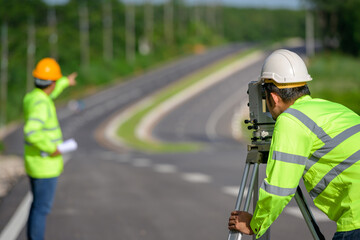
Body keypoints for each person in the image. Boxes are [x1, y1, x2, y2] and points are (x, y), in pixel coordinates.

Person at [228, 49, 360, 240]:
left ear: (273, 97)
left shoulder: (290, 121)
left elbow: (280, 189)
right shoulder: (331, 108)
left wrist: (255, 224)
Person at [23, 58, 77, 240]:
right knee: (41, 209)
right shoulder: (42, 104)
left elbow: (51, 94)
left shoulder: (33, 98)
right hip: (44, 164)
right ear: (51, 83)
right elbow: (31, 131)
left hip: (35, 162)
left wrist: (65, 82)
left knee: (37, 205)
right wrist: (51, 148)